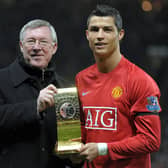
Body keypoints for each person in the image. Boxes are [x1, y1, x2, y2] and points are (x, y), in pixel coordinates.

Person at [75, 4, 161, 168]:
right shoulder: (81, 78)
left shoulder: (140, 81)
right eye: (94, 30)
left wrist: (102, 149)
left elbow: (151, 140)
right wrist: (74, 149)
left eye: (107, 30)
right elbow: (84, 128)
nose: (100, 36)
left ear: (120, 34)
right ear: (87, 35)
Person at [0, 19, 71, 168]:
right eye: (31, 41)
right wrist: (35, 107)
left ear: (54, 47)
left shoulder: (65, 88)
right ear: (21, 46)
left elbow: (70, 143)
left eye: (43, 42)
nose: (37, 47)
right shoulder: (2, 80)